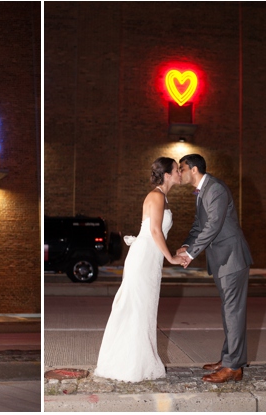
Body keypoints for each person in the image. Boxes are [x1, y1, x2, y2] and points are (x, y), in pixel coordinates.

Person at [94, 157, 183, 382]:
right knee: (137, 308)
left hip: (150, 259)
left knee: (144, 310)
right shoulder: (156, 196)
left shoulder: (161, 197)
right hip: (144, 258)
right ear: (167, 175)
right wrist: (171, 257)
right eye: (177, 169)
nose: (180, 172)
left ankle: (139, 362)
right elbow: (155, 231)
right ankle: (131, 365)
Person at [176, 154, 253, 383]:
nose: (179, 173)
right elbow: (198, 225)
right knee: (229, 312)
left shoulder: (215, 188)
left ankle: (233, 367)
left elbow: (213, 225)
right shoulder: (203, 191)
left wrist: (191, 254)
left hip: (232, 258)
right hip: (222, 259)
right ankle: (230, 358)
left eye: (182, 169)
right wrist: (185, 245)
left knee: (233, 312)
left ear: (194, 168)